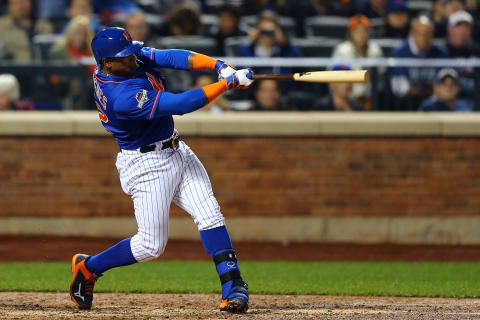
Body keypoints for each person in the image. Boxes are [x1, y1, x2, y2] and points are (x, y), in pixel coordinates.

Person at [69, 27, 253, 314]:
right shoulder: (122, 96)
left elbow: (173, 57)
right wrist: (225, 85)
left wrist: (218, 66)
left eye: (131, 53)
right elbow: (179, 104)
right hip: (147, 165)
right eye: (125, 57)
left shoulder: (125, 61)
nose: (133, 58)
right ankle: (88, 267)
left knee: (210, 214)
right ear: (106, 63)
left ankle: (233, 286)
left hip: (175, 147)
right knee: (150, 246)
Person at [389, 16, 447, 110]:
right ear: (412, 34)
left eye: (427, 33)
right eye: (419, 33)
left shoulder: (440, 53)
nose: (423, 37)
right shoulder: (400, 53)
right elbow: (400, 88)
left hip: (434, 103)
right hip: (406, 104)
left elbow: (444, 84)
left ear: (432, 35)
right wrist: (429, 90)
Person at [332, 14, 383, 110]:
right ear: (350, 33)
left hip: (371, 99)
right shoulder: (342, 50)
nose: (361, 35)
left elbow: (381, 75)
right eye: (357, 31)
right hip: (349, 99)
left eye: (364, 31)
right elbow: (333, 78)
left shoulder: (375, 50)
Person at [445, 10, 480, 98]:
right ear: (449, 29)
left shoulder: (477, 51)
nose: (463, 30)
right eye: (458, 26)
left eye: (467, 27)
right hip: (448, 98)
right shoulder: (441, 51)